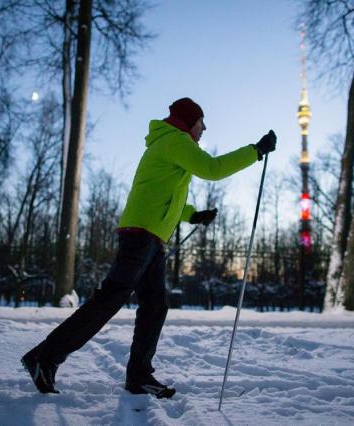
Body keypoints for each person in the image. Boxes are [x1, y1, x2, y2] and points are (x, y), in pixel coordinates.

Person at [21, 97, 276, 398]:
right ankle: (45, 356)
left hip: (150, 238)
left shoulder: (170, 144)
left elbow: (161, 194)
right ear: (187, 121)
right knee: (110, 299)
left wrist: (192, 214)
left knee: (155, 306)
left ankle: (139, 376)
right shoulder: (176, 141)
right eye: (200, 121)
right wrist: (255, 151)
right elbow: (212, 169)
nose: (204, 127)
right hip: (141, 237)